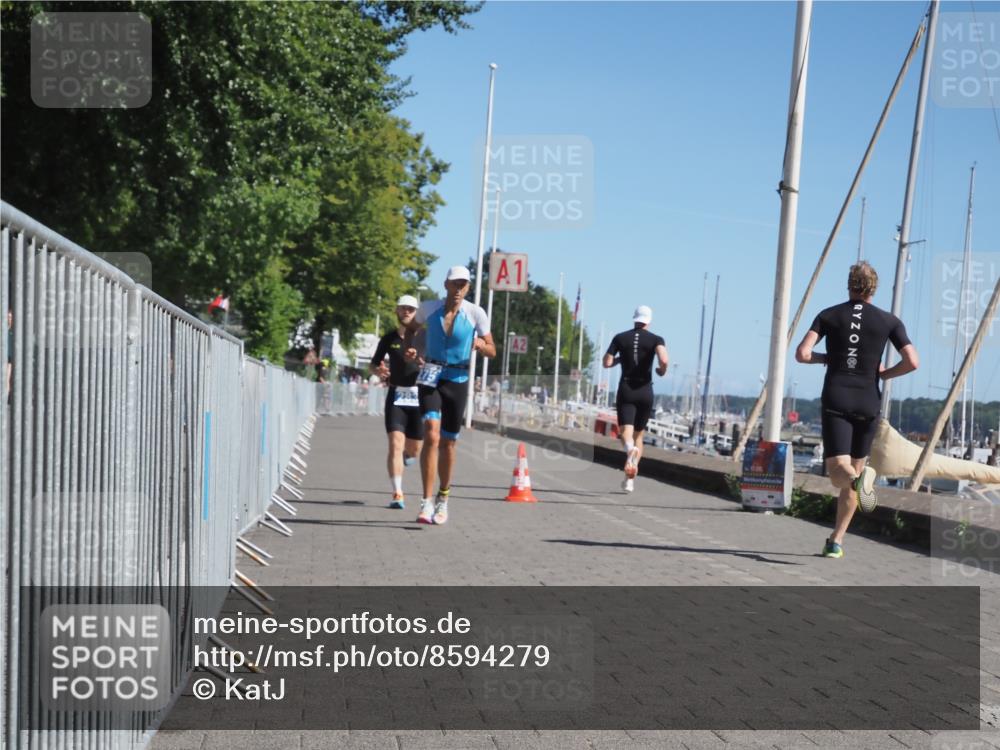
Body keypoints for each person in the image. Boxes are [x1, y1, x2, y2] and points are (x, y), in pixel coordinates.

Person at [795, 261, 919, 559]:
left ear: (849, 284)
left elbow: (802, 353)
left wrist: (826, 358)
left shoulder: (829, 315)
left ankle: (856, 482)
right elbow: (912, 361)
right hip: (868, 401)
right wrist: (884, 375)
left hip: (837, 397)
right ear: (874, 288)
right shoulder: (889, 321)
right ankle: (836, 541)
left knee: (840, 473)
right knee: (856, 469)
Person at [403, 266, 496, 525]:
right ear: (446, 284)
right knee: (431, 433)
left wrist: (481, 344)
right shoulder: (429, 308)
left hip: (458, 379)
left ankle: (443, 497)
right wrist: (410, 349)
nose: (458, 289)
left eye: (463, 285)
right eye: (454, 283)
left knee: (448, 443)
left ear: (468, 288)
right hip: (431, 374)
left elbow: (492, 350)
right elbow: (410, 328)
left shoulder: (475, 313)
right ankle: (426, 501)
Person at [603, 305, 669, 493]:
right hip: (645, 390)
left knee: (626, 432)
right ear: (649, 320)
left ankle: (629, 449)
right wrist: (661, 371)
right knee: (639, 435)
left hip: (627, 389)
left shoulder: (620, 337)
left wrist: (621, 359)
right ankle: (629, 480)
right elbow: (664, 360)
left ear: (634, 318)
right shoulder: (656, 339)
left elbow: (607, 362)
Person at [370, 295, 424, 509]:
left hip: (419, 397)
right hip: (396, 395)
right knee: (395, 445)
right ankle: (397, 493)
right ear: (397, 311)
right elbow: (373, 364)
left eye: (411, 309)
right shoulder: (389, 338)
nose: (406, 312)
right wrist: (378, 371)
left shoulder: (425, 338)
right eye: (403, 308)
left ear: (417, 313)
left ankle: (408, 455)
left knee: (414, 450)